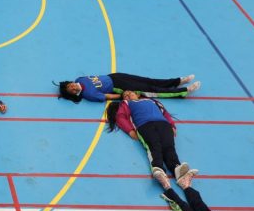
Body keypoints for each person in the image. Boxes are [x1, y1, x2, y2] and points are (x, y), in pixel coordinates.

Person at [106, 91, 198, 187]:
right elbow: (120, 117)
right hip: (144, 125)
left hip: (163, 125)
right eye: (125, 95)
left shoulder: (152, 101)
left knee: (169, 147)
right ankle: (158, 168)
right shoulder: (126, 104)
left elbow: (164, 112)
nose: (128, 95)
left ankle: (178, 170)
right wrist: (130, 131)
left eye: (130, 92)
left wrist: (172, 125)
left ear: (137, 94)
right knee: (154, 146)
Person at [58, 73, 200, 103]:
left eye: (70, 85)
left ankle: (177, 81)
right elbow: (108, 96)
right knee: (151, 90)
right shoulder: (88, 94)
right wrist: (124, 95)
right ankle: (183, 92)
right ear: (73, 94)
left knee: (148, 80)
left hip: (115, 76)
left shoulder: (79, 79)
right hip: (119, 86)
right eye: (71, 90)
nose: (72, 87)